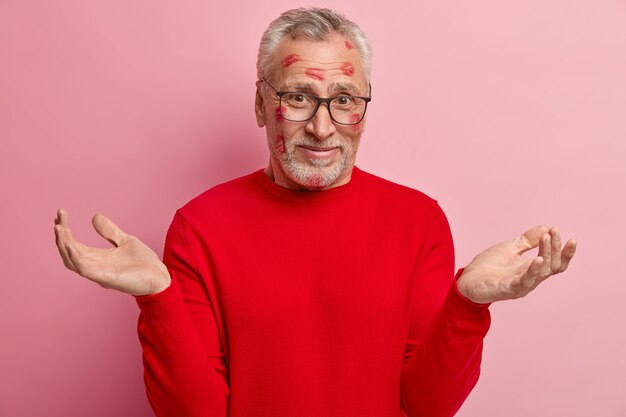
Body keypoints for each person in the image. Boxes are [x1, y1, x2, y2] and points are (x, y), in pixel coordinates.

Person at [53, 7, 577, 417]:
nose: (323, 128)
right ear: (261, 105)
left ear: (364, 107)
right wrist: (157, 299)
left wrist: (466, 305)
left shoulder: (419, 222)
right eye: (299, 97)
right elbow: (196, 413)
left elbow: (427, 406)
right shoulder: (200, 227)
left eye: (345, 99)